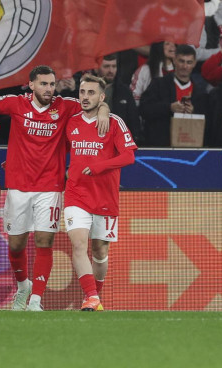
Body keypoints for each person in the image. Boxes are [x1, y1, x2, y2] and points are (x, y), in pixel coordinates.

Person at [0, 65, 108, 311]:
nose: (49, 89)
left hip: (50, 187)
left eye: (52, 84)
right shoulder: (15, 103)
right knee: (16, 245)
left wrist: (104, 111)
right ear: (31, 85)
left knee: (44, 241)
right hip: (19, 186)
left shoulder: (64, 106)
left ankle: (35, 300)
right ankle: (24, 286)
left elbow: (94, 102)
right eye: (43, 84)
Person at [65, 74, 137, 311]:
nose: (85, 97)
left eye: (91, 93)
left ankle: (96, 295)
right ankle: (91, 297)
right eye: (82, 92)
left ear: (102, 97)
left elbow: (129, 156)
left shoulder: (114, 122)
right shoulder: (71, 121)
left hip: (105, 195)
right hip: (76, 193)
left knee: (100, 249)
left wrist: (97, 168)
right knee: (78, 244)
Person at [140, 44, 207, 147]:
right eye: (181, 61)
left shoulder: (200, 93)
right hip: (160, 147)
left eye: (189, 62)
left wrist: (194, 112)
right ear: (174, 60)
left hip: (189, 149)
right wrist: (169, 107)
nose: (185, 66)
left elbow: (207, 122)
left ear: (194, 63)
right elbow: (144, 109)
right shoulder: (158, 84)